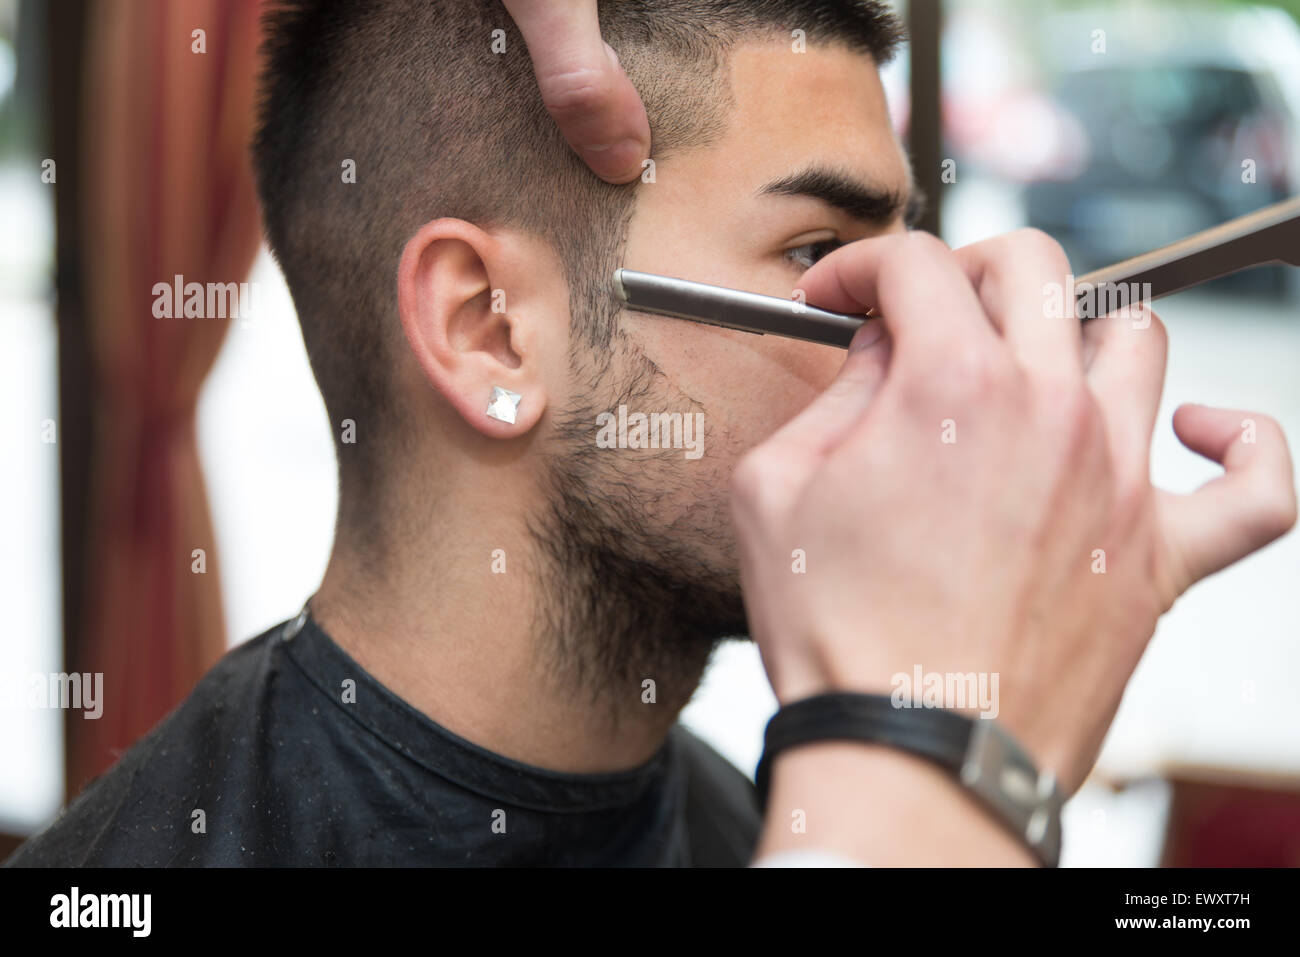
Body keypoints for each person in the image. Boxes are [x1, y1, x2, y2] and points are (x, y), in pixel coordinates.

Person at [7, 0, 1293, 868]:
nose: (938, 346)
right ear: (492, 331)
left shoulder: (755, 817)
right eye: (824, 259)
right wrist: (947, 764)